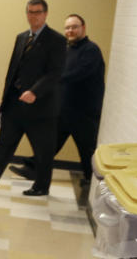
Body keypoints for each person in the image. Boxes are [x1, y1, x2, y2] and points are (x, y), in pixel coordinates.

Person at [0, 0, 66, 197]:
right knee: (4, 142)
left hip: (41, 107)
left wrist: (35, 92)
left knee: (43, 149)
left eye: (37, 12)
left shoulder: (56, 40)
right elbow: (13, 69)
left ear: (45, 14)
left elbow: (55, 73)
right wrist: (5, 98)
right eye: (30, 12)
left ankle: (41, 186)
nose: (33, 16)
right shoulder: (22, 37)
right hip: (15, 103)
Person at [10, 13, 104, 186]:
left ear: (83, 28)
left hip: (84, 112)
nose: (71, 30)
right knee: (50, 143)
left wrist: (53, 78)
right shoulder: (68, 50)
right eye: (67, 27)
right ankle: (33, 169)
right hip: (65, 109)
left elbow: (78, 74)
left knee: (87, 148)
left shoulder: (91, 50)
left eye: (74, 27)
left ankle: (93, 182)